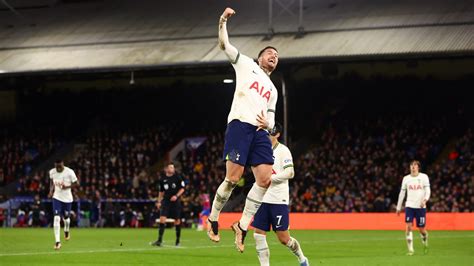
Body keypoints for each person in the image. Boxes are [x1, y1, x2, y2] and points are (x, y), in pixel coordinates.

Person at [207, 7, 279, 253]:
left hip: (259, 133)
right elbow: (224, 44)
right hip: (239, 124)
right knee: (233, 179)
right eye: (269, 52)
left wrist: (268, 125)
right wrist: (222, 21)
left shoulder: (273, 90)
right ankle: (213, 218)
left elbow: (272, 120)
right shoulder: (246, 64)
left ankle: (242, 225)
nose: (274, 56)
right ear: (260, 58)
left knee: (265, 179)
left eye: (276, 55)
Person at [252, 123, 309, 266]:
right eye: (266, 133)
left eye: (270, 133)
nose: (267, 136)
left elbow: (290, 172)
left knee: (284, 239)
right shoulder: (260, 151)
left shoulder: (283, 151)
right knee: (258, 233)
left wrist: (271, 179)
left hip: (278, 199)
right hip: (262, 197)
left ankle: (302, 259)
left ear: (277, 135)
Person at [396, 160, 431, 255]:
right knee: (408, 227)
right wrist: (398, 207)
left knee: (421, 229)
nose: (413, 167)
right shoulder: (406, 178)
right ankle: (411, 250)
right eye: (411, 165)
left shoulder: (424, 177)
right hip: (409, 206)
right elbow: (402, 193)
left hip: (421, 207)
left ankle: (425, 239)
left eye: (415, 165)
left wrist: (425, 200)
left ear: (418, 167)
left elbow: (428, 190)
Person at [150, 162, 185, 247]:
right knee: (162, 219)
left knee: (177, 221)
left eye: (173, 168)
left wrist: (176, 196)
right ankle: (159, 240)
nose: (172, 169)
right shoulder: (162, 179)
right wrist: (159, 201)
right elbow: (161, 192)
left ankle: (177, 241)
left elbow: (182, 189)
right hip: (166, 201)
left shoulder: (177, 177)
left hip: (175, 202)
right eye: (170, 167)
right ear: (166, 169)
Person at [48, 159, 78, 250]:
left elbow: (76, 183)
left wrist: (67, 187)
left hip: (67, 199)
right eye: (57, 167)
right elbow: (51, 182)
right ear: (55, 165)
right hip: (56, 197)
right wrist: (50, 191)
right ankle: (57, 242)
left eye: (60, 166)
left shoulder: (70, 172)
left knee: (66, 218)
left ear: (63, 164)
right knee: (56, 217)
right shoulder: (52, 172)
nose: (59, 168)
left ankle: (66, 230)